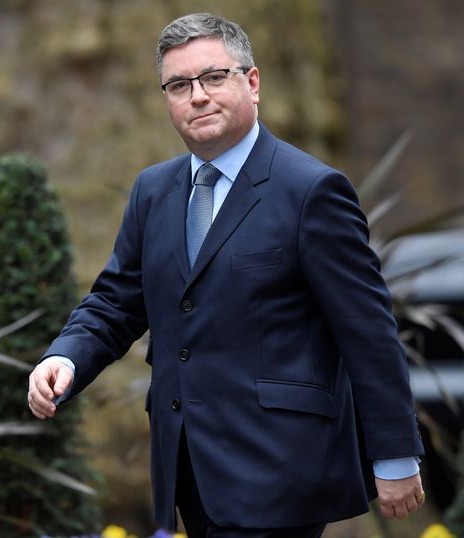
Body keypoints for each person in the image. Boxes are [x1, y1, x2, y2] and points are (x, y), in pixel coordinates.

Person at [28, 13, 425, 537]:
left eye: (214, 77)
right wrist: (65, 357)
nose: (197, 96)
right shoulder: (152, 191)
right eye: (179, 85)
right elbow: (116, 302)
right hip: (186, 470)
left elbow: (368, 331)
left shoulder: (311, 191)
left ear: (252, 83)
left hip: (281, 470)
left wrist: (395, 456)